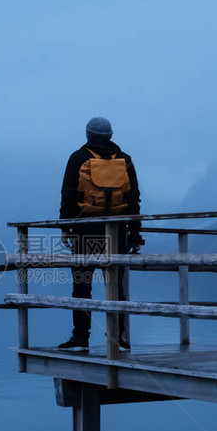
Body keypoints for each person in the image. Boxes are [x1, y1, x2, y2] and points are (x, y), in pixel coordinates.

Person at [57, 117, 143, 351]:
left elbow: (68, 196)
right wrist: (135, 235)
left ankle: (81, 339)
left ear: (88, 135)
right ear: (111, 135)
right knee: (116, 285)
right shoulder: (125, 159)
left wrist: (66, 228)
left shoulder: (78, 158)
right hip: (117, 231)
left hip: (86, 230)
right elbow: (133, 199)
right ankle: (119, 337)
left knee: (82, 285)